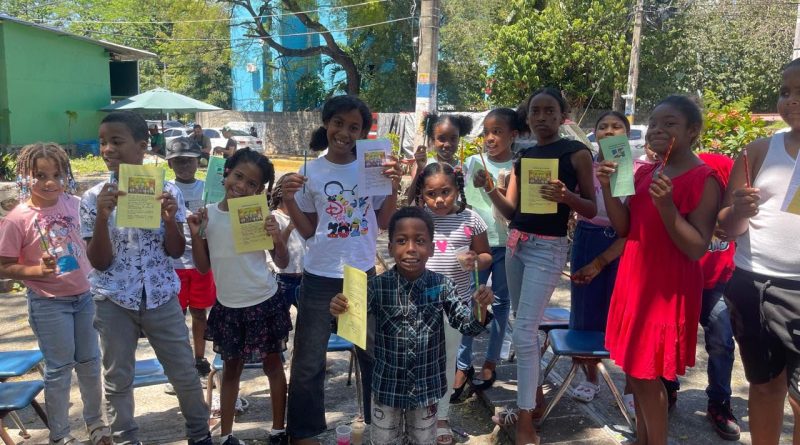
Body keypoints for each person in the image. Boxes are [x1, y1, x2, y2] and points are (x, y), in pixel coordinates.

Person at [80, 111, 211, 445]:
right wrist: (103, 218)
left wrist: (169, 219)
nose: (107, 148)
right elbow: (100, 261)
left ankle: (199, 435)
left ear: (142, 146)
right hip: (113, 298)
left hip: (161, 295)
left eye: (116, 141)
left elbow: (175, 250)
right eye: (102, 141)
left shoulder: (166, 191)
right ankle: (125, 438)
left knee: (183, 371)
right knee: (117, 377)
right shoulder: (94, 198)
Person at [599, 95, 721, 445]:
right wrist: (608, 190)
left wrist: (667, 207)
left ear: (692, 131)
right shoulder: (645, 170)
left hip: (665, 288)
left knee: (646, 374)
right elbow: (625, 228)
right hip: (634, 280)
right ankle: (642, 438)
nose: (657, 130)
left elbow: (697, 246)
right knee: (635, 375)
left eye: (669, 124)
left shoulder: (704, 178)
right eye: (653, 123)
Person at [280, 95, 402, 444]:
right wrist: (289, 199)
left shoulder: (373, 167)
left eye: (354, 127)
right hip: (319, 276)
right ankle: (304, 432)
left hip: (361, 275)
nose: (345, 132)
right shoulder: (310, 171)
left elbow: (383, 222)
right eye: (338, 123)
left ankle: (382, 426)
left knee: (373, 355)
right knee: (307, 361)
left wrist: (392, 185)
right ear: (326, 123)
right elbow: (307, 230)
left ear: (363, 132)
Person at [480, 87, 597, 445]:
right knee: (522, 326)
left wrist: (567, 197)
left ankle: (527, 420)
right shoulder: (524, 156)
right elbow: (513, 212)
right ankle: (535, 401)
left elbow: (591, 209)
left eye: (549, 111)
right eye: (535, 112)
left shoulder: (577, 153)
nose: (542, 117)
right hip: (517, 245)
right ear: (527, 118)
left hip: (548, 249)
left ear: (563, 116)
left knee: (524, 332)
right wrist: (489, 190)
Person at [329, 206, 492, 445]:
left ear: (432, 248)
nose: (411, 248)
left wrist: (480, 307)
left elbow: (468, 326)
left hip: (427, 389)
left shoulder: (442, 286)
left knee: (424, 440)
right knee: (383, 440)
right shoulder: (377, 287)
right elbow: (350, 324)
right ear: (391, 248)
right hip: (387, 387)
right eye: (402, 241)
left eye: (420, 241)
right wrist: (339, 310)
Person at [0, 143, 112, 445]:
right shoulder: (17, 218)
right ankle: (60, 435)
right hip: (49, 304)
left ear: (66, 175)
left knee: (90, 363)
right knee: (60, 369)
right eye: (40, 175)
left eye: (56, 174)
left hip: (86, 297)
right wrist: (36, 271)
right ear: (25, 177)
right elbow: (4, 266)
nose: (49, 182)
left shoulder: (78, 204)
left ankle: (96, 425)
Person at [718, 58, 800, 445]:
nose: (791, 101)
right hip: (754, 286)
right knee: (765, 386)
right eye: (785, 92)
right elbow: (727, 227)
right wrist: (738, 210)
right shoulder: (759, 151)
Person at [187, 147, 291, 445]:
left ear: (260, 190)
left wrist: (275, 236)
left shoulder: (260, 216)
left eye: (252, 184)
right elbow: (203, 266)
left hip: (264, 301)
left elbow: (281, 262)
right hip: (229, 307)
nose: (242, 186)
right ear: (226, 173)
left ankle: (278, 430)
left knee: (274, 365)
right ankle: (226, 435)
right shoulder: (208, 216)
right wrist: (196, 233)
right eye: (238, 176)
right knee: (231, 370)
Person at [412, 162, 492, 445]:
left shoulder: (472, 220)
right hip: (418, 305)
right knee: (418, 361)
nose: (439, 199)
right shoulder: (419, 218)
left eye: (446, 191)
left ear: (458, 189)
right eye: (431, 193)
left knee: (445, 363)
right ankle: (417, 413)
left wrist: (474, 260)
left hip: (452, 308)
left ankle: (442, 417)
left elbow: (486, 257)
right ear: (422, 194)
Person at [459, 108, 524, 393]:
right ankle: (462, 364)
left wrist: (498, 187)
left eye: (497, 132)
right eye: (486, 132)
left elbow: (513, 211)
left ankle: (491, 361)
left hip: (509, 246)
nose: (490, 138)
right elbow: (471, 206)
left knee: (500, 305)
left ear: (514, 135)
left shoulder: (519, 167)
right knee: (470, 302)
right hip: (480, 244)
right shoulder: (474, 162)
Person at [567, 111, 630, 403]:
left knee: (627, 313)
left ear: (627, 135)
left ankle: (632, 386)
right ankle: (591, 379)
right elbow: (576, 200)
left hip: (623, 242)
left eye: (616, 126)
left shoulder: (636, 168)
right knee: (585, 310)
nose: (609, 131)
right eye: (602, 127)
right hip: (587, 236)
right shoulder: (586, 166)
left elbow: (633, 223)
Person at [166, 138, 216, 385]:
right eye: (178, 161)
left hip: (201, 262)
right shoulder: (164, 191)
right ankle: (180, 364)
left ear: (198, 161)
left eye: (189, 160)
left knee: (199, 312)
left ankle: (199, 358)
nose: (184, 165)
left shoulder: (208, 189)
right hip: (172, 264)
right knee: (176, 317)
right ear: (170, 163)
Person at [405, 114, 474, 204]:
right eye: (442, 139)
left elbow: (467, 203)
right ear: (433, 140)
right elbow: (411, 201)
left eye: (453, 138)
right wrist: (420, 170)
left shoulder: (463, 168)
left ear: (459, 139)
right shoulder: (423, 165)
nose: (447, 144)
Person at [269, 174, 306, 308]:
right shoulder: (274, 217)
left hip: (303, 277)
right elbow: (277, 247)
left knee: (305, 317)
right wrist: (289, 228)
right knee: (281, 316)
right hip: (283, 278)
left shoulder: (303, 217)